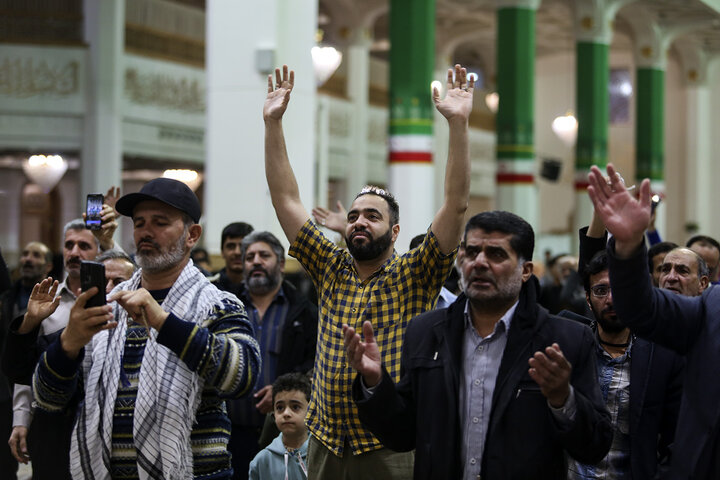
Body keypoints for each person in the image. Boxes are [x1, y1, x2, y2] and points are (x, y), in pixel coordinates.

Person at [264, 63, 473, 478]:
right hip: (323, 441)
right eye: (354, 214)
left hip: (387, 447)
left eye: (372, 216)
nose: (359, 221)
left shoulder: (417, 273)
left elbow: (456, 204)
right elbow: (286, 198)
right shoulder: (330, 266)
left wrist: (459, 126)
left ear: (394, 231)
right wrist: (273, 123)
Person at [344, 211, 612, 480]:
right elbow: (402, 435)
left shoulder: (564, 340)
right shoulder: (425, 333)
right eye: (471, 252)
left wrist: (563, 399)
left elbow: (595, 447)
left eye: (496, 254)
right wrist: (376, 382)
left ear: (525, 270)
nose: (479, 263)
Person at [32, 177, 261, 479]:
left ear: (192, 234)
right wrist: (68, 345)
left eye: (160, 222)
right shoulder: (110, 302)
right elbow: (48, 399)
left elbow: (242, 376)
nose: (145, 232)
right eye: (139, 223)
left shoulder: (217, 303)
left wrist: (163, 322)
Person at [588, 163, 720, 478]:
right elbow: (640, 309)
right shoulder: (712, 307)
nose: (671, 277)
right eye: (665, 271)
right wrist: (629, 246)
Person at [565, 250, 684, 479]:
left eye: (619, 289)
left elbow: (674, 438)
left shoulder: (662, 356)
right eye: (601, 291)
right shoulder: (567, 340)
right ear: (588, 299)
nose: (611, 299)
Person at [4, 220, 105, 480]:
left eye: (84, 246)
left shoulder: (112, 301)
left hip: (100, 423)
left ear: (99, 253)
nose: (74, 252)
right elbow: (25, 369)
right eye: (69, 245)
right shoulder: (47, 301)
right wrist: (20, 419)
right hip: (53, 424)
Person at [226, 231, 317, 480]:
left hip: (284, 435)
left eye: (263, 255)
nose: (255, 261)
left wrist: (280, 389)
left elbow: (314, 362)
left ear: (279, 264)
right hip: (231, 433)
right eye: (249, 257)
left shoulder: (304, 311)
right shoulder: (227, 306)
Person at [0, 242, 53, 479]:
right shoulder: (9, 296)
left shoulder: (55, 300)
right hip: (10, 376)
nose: (28, 259)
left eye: (36, 255)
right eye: (25, 254)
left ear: (48, 265)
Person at [248, 372, 310, 480]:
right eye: (280, 408)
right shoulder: (262, 460)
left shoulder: (322, 456)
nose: (286, 413)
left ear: (311, 410)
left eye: (295, 407)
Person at [212, 222, 255, 297]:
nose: (237, 252)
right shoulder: (209, 286)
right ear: (222, 251)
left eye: (243, 247)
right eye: (231, 246)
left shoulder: (262, 287)